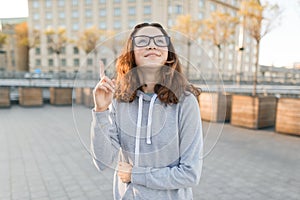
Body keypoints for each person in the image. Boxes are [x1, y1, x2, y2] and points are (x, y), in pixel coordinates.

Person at [91, 22, 203, 200]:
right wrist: (101, 110)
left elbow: (190, 174)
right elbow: (102, 162)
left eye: (159, 41)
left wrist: (136, 175)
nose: (152, 45)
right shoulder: (120, 100)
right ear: (132, 53)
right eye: (142, 41)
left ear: (168, 54)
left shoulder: (186, 101)